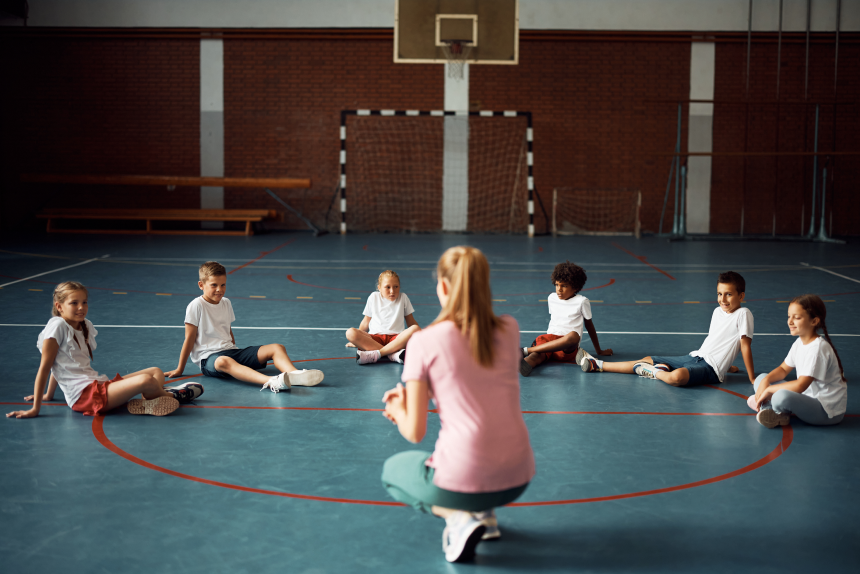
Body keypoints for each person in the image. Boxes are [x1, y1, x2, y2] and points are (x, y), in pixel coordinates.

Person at [380, 246, 535, 563]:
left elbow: (415, 432)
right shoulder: (509, 328)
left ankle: (459, 518)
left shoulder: (424, 341)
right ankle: (485, 514)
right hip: (517, 477)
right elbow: (474, 383)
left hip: (466, 477)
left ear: (444, 287)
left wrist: (398, 409)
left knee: (392, 471)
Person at [7, 281, 200, 419]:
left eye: (84, 302)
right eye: (74, 303)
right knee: (146, 380)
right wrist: (35, 408)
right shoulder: (57, 326)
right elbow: (45, 367)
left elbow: (61, 364)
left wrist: (49, 395)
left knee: (155, 372)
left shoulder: (84, 325)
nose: (81, 307)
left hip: (97, 385)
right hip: (85, 397)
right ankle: (173, 395)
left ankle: (149, 400)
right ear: (59, 306)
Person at [165, 261, 323, 392]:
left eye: (223, 285)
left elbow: (227, 330)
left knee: (277, 347)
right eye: (214, 285)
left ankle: (295, 375)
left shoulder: (226, 302)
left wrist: (237, 353)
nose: (219, 289)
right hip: (209, 360)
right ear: (201, 285)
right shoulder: (196, 305)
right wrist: (180, 369)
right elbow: (189, 339)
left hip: (231, 352)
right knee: (223, 361)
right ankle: (271, 381)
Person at [581, 271, 755, 387]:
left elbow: (744, 346)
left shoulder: (743, 313)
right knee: (648, 358)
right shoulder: (717, 311)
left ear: (741, 296)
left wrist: (752, 377)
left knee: (676, 378)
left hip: (711, 369)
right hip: (695, 356)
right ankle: (599, 365)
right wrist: (729, 366)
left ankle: (654, 372)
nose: (723, 299)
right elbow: (717, 341)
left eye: (729, 294)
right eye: (719, 294)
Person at [748, 294, 847, 428]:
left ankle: (767, 407)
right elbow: (783, 369)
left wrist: (770, 390)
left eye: (797, 317)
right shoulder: (799, 343)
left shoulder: (818, 349)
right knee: (761, 379)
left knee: (780, 396)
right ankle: (771, 410)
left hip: (826, 411)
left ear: (814, 321)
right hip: (806, 398)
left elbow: (801, 385)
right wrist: (767, 381)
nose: (790, 322)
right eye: (789, 316)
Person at [520, 260, 613, 376]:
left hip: (567, 347)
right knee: (535, 356)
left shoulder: (582, 301)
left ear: (575, 287)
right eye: (557, 285)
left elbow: (589, 325)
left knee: (574, 336)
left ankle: (525, 351)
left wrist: (599, 350)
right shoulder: (552, 298)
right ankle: (524, 362)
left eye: (564, 286)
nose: (559, 289)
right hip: (548, 343)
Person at [345, 270, 420, 365]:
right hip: (375, 339)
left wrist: (422, 337)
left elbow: (411, 322)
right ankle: (393, 355)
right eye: (387, 287)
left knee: (416, 329)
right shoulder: (373, 297)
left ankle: (378, 354)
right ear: (379, 288)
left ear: (399, 287)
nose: (392, 291)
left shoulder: (403, 298)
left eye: (396, 287)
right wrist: (356, 341)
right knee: (350, 333)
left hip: (397, 340)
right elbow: (366, 321)